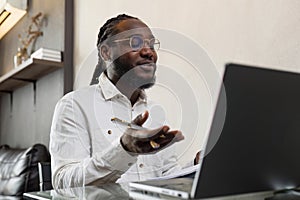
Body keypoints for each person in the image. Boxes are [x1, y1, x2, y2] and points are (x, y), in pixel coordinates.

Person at [50, 14, 188, 189]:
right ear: (106, 52)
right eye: (135, 43)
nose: (148, 52)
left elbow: (168, 173)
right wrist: (124, 150)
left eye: (152, 45)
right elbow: (63, 182)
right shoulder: (74, 105)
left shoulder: (155, 111)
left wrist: (197, 167)